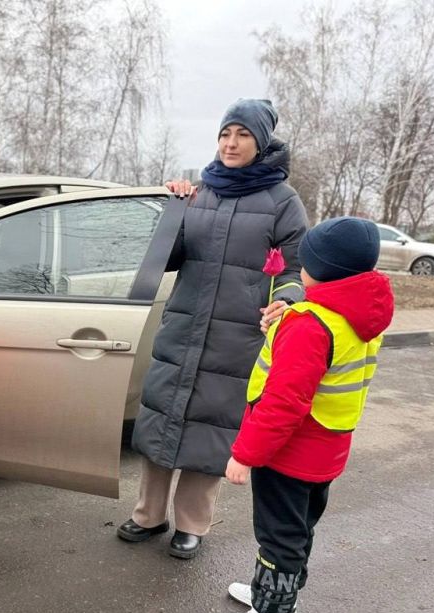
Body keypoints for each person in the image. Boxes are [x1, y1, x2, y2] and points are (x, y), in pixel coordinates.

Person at [118, 98, 308, 559]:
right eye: (226, 133)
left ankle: (192, 525)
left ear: (260, 142)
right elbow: (169, 256)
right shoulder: (200, 192)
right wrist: (170, 209)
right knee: (162, 419)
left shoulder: (283, 201)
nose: (231, 142)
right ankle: (148, 514)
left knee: (212, 429)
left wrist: (286, 299)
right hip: (183, 327)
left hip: (236, 334)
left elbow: (295, 268)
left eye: (242, 134)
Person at [208, 217, 393, 613]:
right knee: (299, 528)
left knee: (279, 534)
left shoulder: (310, 324)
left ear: (321, 268)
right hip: (326, 450)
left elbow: (283, 402)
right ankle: (281, 597)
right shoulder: (355, 315)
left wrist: (246, 454)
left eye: (305, 259)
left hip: (289, 453)